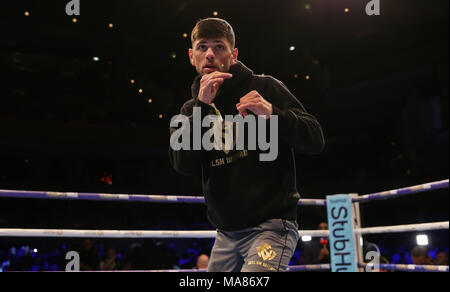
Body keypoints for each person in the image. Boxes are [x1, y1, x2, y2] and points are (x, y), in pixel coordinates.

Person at [169, 18, 325, 272]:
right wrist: (202, 109)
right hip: (226, 235)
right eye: (202, 47)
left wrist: (273, 113)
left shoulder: (264, 87)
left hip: (271, 228)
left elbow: (315, 139)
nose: (209, 54)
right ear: (191, 56)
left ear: (233, 54)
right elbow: (182, 164)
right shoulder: (189, 110)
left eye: (219, 47)